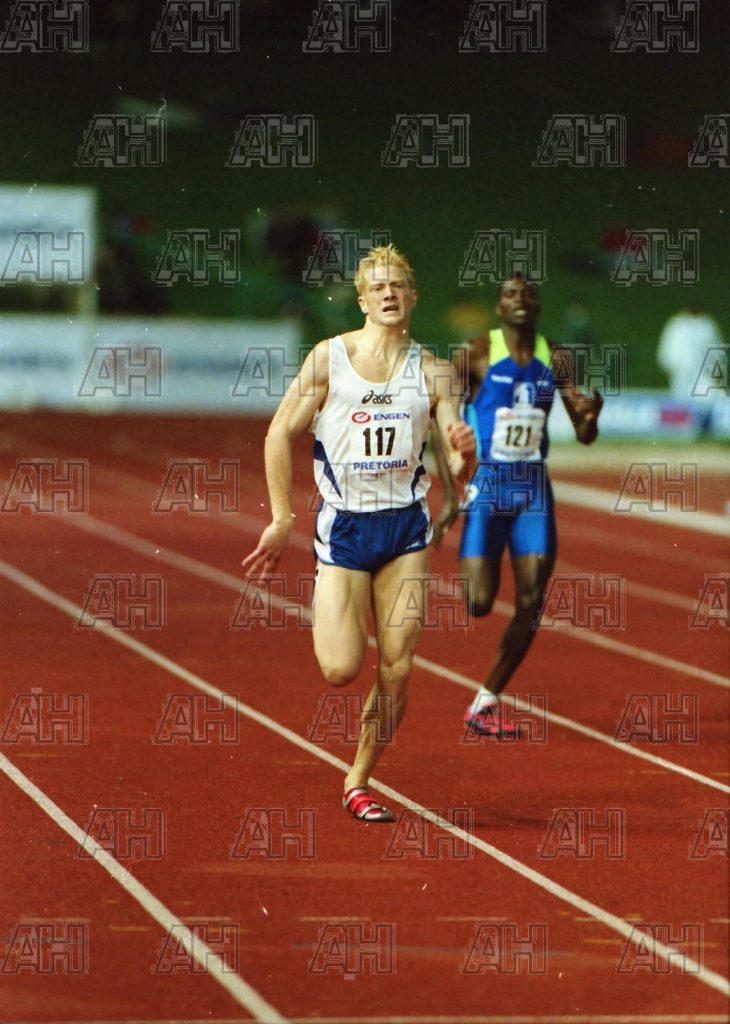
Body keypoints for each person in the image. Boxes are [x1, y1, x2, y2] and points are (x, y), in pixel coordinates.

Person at [242, 245, 476, 821]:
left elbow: (453, 449)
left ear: (413, 297)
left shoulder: (435, 372)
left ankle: (359, 780)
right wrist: (281, 517)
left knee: (398, 666)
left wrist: (463, 451)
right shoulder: (330, 359)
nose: (389, 293)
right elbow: (279, 433)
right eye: (378, 287)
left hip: (406, 530)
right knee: (341, 669)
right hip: (345, 529)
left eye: (398, 285)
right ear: (364, 300)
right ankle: (331, 595)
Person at [431, 276, 603, 737]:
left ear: (538, 304)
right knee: (478, 602)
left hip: (533, 489)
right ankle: (485, 696)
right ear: (499, 307)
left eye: (528, 294)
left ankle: (486, 701)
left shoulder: (556, 356)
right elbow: (439, 418)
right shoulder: (475, 353)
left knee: (532, 597)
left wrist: (590, 420)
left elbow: (584, 432)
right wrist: (450, 492)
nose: (520, 301)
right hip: (488, 485)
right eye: (510, 295)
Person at [657, 304, 725, 432]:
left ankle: (704, 428)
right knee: (681, 399)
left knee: (709, 397)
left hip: (703, 371)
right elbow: (669, 346)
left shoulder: (707, 325)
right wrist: (668, 364)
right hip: (682, 370)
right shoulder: (677, 324)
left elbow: (716, 349)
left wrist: (717, 369)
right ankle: (682, 429)